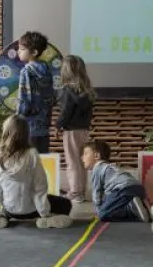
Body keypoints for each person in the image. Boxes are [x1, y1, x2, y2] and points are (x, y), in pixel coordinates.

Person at [0, 116, 73, 229]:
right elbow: (40, 187)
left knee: (5, 199)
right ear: (26, 133)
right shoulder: (32, 154)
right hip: (32, 211)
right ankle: (46, 220)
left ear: (5, 131)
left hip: (9, 210)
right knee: (66, 203)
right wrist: (44, 213)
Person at [55, 55, 94, 203]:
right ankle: (81, 191)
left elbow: (66, 112)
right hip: (84, 130)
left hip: (71, 131)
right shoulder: (87, 91)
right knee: (82, 161)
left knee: (72, 162)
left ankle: (75, 192)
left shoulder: (67, 90)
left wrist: (58, 126)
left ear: (66, 71)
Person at [82, 140, 150, 222]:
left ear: (97, 155)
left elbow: (97, 193)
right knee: (113, 204)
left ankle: (130, 209)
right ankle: (142, 208)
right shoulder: (111, 167)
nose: (82, 157)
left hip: (123, 189)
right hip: (138, 188)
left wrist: (99, 211)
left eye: (85, 153)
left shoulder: (97, 168)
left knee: (103, 215)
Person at [16, 31, 55, 154]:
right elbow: (51, 98)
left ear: (34, 52)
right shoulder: (47, 70)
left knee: (28, 161)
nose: (18, 51)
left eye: (22, 49)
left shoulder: (26, 71)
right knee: (42, 161)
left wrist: (17, 118)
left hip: (28, 126)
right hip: (44, 125)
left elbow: (24, 99)